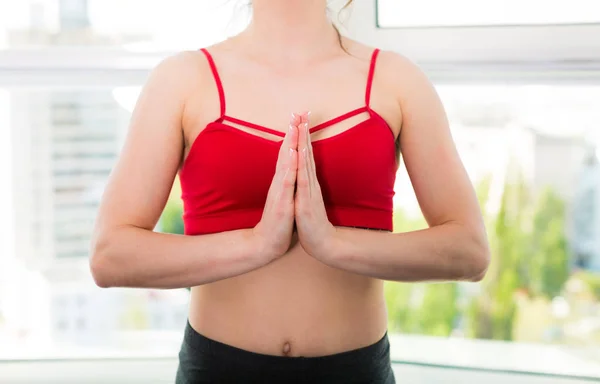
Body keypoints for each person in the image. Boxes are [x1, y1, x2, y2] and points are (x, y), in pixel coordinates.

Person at [89, 0, 490, 382]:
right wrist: (257, 244)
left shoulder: (397, 80)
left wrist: (332, 244)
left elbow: (469, 252)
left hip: (355, 372)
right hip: (218, 370)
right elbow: (111, 256)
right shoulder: (181, 80)